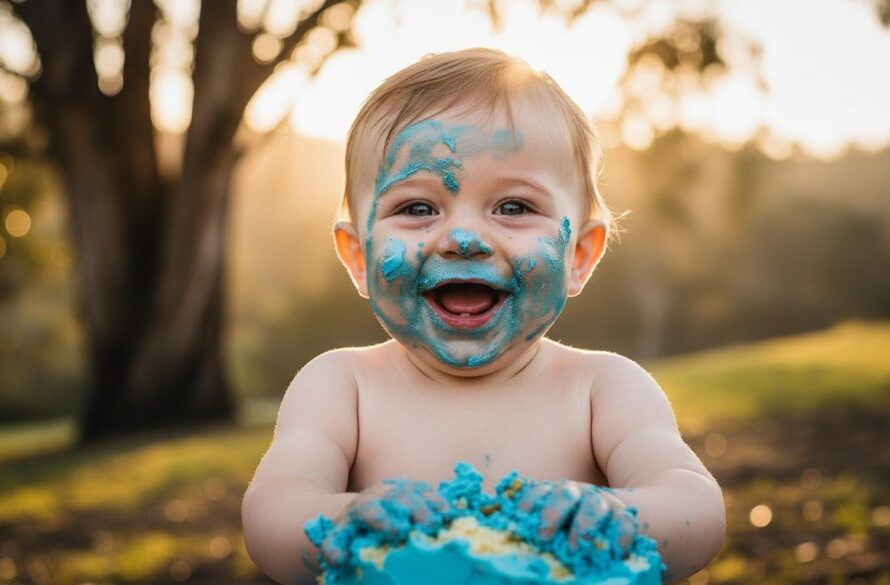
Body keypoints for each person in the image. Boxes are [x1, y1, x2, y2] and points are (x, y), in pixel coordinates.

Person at [241, 48, 725, 585]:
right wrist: (339, 524)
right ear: (358, 257)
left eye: (514, 207)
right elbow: (272, 511)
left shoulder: (602, 390)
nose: (464, 239)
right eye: (417, 208)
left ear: (579, 256)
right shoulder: (342, 388)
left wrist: (623, 520)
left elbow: (696, 506)